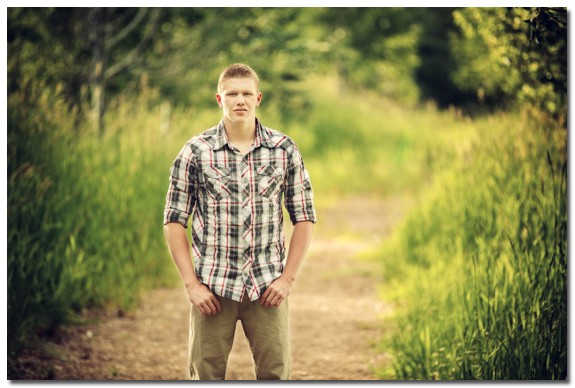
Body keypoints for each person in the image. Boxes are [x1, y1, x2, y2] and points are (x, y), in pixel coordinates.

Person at [163, 63, 316, 380]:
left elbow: (303, 217)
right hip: (213, 289)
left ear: (258, 98)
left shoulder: (284, 150)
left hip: (267, 288)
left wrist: (286, 279)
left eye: (247, 93)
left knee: (275, 375)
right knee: (205, 375)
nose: (240, 100)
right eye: (232, 94)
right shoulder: (195, 152)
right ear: (219, 99)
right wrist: (191, 284)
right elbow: (174, 220)